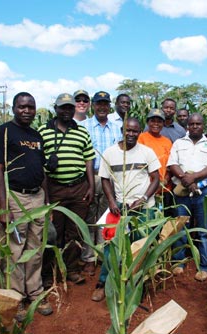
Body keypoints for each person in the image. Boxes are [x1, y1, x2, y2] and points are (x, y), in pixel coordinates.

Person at [0, 92, 53, 318]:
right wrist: (4, 205)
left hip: (37, 198)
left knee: (35, 249)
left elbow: (41, 167)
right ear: (14, 108)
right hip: (15, 198)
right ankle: (17, 298)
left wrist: (46, 200)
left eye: (31, 107)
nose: (26, 111)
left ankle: (35, 292)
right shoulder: (3, 132)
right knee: (15, 250)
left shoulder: (36, 135)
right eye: (22, 107)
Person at [92, 117, 160, 301]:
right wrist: (112, 202)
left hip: (143, 208)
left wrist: (144, 198)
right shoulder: (110, 152)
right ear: (122, 131)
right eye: (127, 130)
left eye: (135, 131)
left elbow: (156, 178)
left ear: (139, 132)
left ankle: (139, 282)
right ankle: (103, 283)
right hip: (118, 208)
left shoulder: (146, 152)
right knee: (111, 247)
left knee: (141, 247)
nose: (131, 134)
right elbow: (105, 179)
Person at [38, 93, 95, 285]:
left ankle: (71, 268)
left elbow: (89, 160)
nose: (66, 111)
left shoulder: (81, 132)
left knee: (75, 230)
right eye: (63, 107)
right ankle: (50, 272)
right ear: (56, 109)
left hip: (79, 188)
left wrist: (90, 186)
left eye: (70, 107)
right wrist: (45, 196)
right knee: (53, 232)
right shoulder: (43, 132)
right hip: (55, 189)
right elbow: (40, 166)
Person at [167, 113, 207, 281]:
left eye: (198, 124)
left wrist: (194, 178)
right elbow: (172, 164)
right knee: (181, 226)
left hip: (203, 192)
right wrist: (186, 179)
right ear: (187, 126)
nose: (195, 126)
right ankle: (179, 262)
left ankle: (205, 265)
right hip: (182, 191)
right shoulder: (179, 143)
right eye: (192, 124)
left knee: (204, 229)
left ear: (202, 126)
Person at [79, 91, 122, 277]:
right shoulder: (83, 126)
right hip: (91, 176)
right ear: (93, 105)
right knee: (89, 216)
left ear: (109, 106)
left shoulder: (116, 128)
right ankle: (89, 257)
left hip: (111, 178)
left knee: (107, 217)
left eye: (105, 104)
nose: (102, 107)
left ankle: (104, 255)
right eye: (99, 103)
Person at [138, 109, 174, 216]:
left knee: (163, 220)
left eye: (159, 121)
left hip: (165, 189)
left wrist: (165, 181)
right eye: (152, 121)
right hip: (147, 190)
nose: (156, 124)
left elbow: (170, 164)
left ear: (163, 123)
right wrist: (154, 184)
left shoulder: (167, 141)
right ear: (147, 122)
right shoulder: (141, 138)